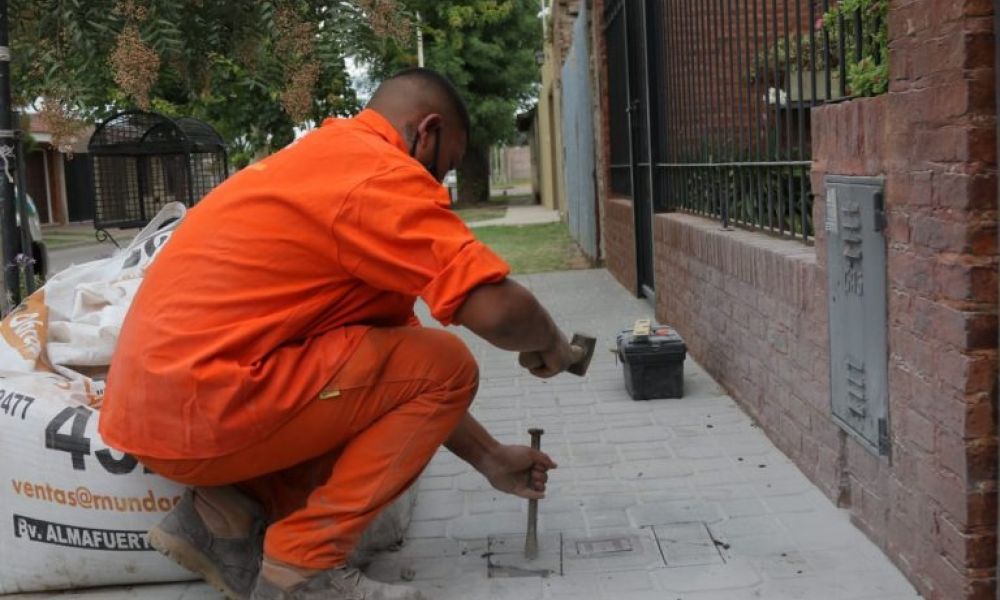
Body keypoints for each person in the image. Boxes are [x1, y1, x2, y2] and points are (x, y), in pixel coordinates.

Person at [99, 68, 581, 600]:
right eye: (442, 169)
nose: (437, 187)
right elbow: (495, 310)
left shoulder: (323, 159)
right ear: (426, 131)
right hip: (204, 405)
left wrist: (489, 457)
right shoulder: (377, 176)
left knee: (406, 367)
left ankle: (224, 515)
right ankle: (300, 569)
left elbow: (398, 383)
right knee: (449, 360)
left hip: (156, 410)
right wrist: (554, 343)